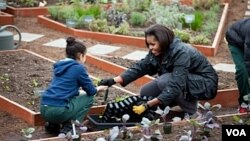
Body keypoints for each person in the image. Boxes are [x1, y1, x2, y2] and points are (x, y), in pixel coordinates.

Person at [99, 24, 218, 116]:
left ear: (163, 41)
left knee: (164, 81)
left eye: (153, 44)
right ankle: (169, 108)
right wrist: (113, 80)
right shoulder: (158, 51)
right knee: (146, 91)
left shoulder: (181, 52)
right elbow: (141, 67)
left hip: (204, 84)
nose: (150, 47)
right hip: (183, 82)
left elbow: (175, 84)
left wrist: (148, 105)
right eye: (148, 44)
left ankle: (192, 111)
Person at [40, 37, 107, 135]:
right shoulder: (78, 68)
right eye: (85, 55)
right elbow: (91, 91)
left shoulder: (60, 66)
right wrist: (99, 88)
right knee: (89, 98)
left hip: (43, 109)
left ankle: (52, 125)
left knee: (72, 99)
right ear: (80, 55)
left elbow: (65, 89)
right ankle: (72, 127)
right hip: (58, 112)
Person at [225, 18, 250, 113]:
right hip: (235, 39)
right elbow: (248, 57)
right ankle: (244, 102)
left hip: (245, 41)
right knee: (242, 70)